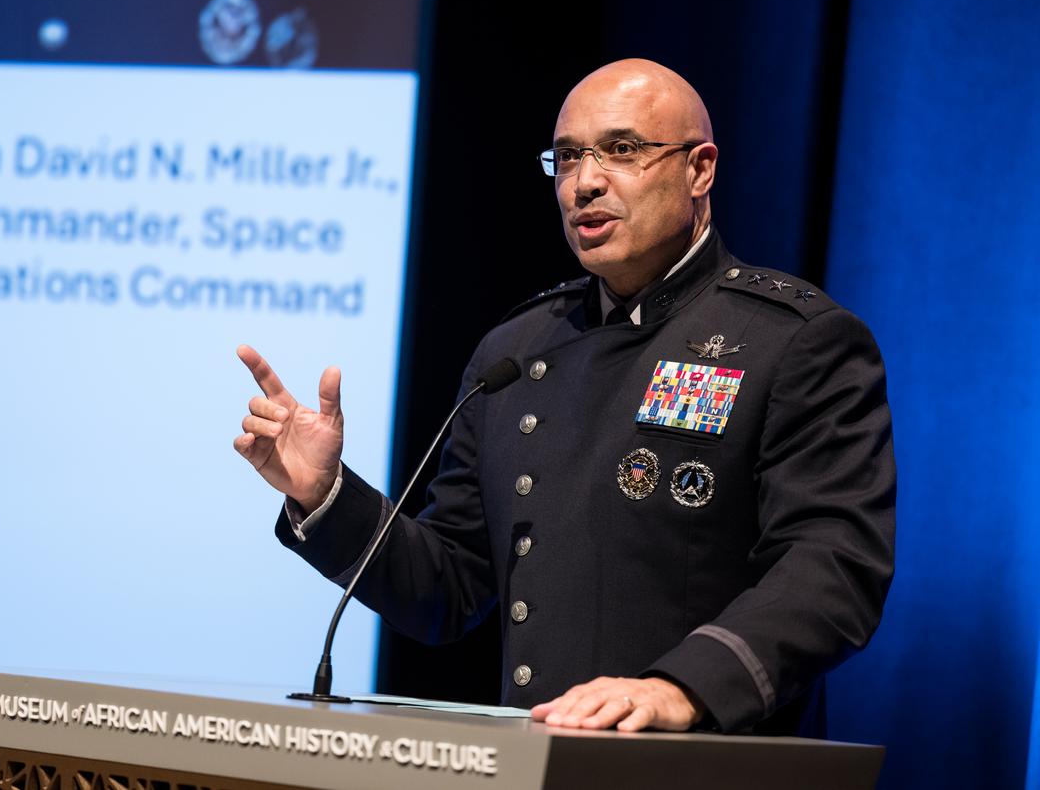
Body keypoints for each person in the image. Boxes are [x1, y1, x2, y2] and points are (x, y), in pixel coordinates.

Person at [233, 59, 896, 735]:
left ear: (699, 169)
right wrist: (327, 497)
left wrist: (683, 686)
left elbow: (834, 565)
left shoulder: (792, 342)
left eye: (623, 150)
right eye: (569, 157)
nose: (585, 182)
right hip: (542, 765)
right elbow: (449, 589)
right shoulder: (517, 353)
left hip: (707, 764)